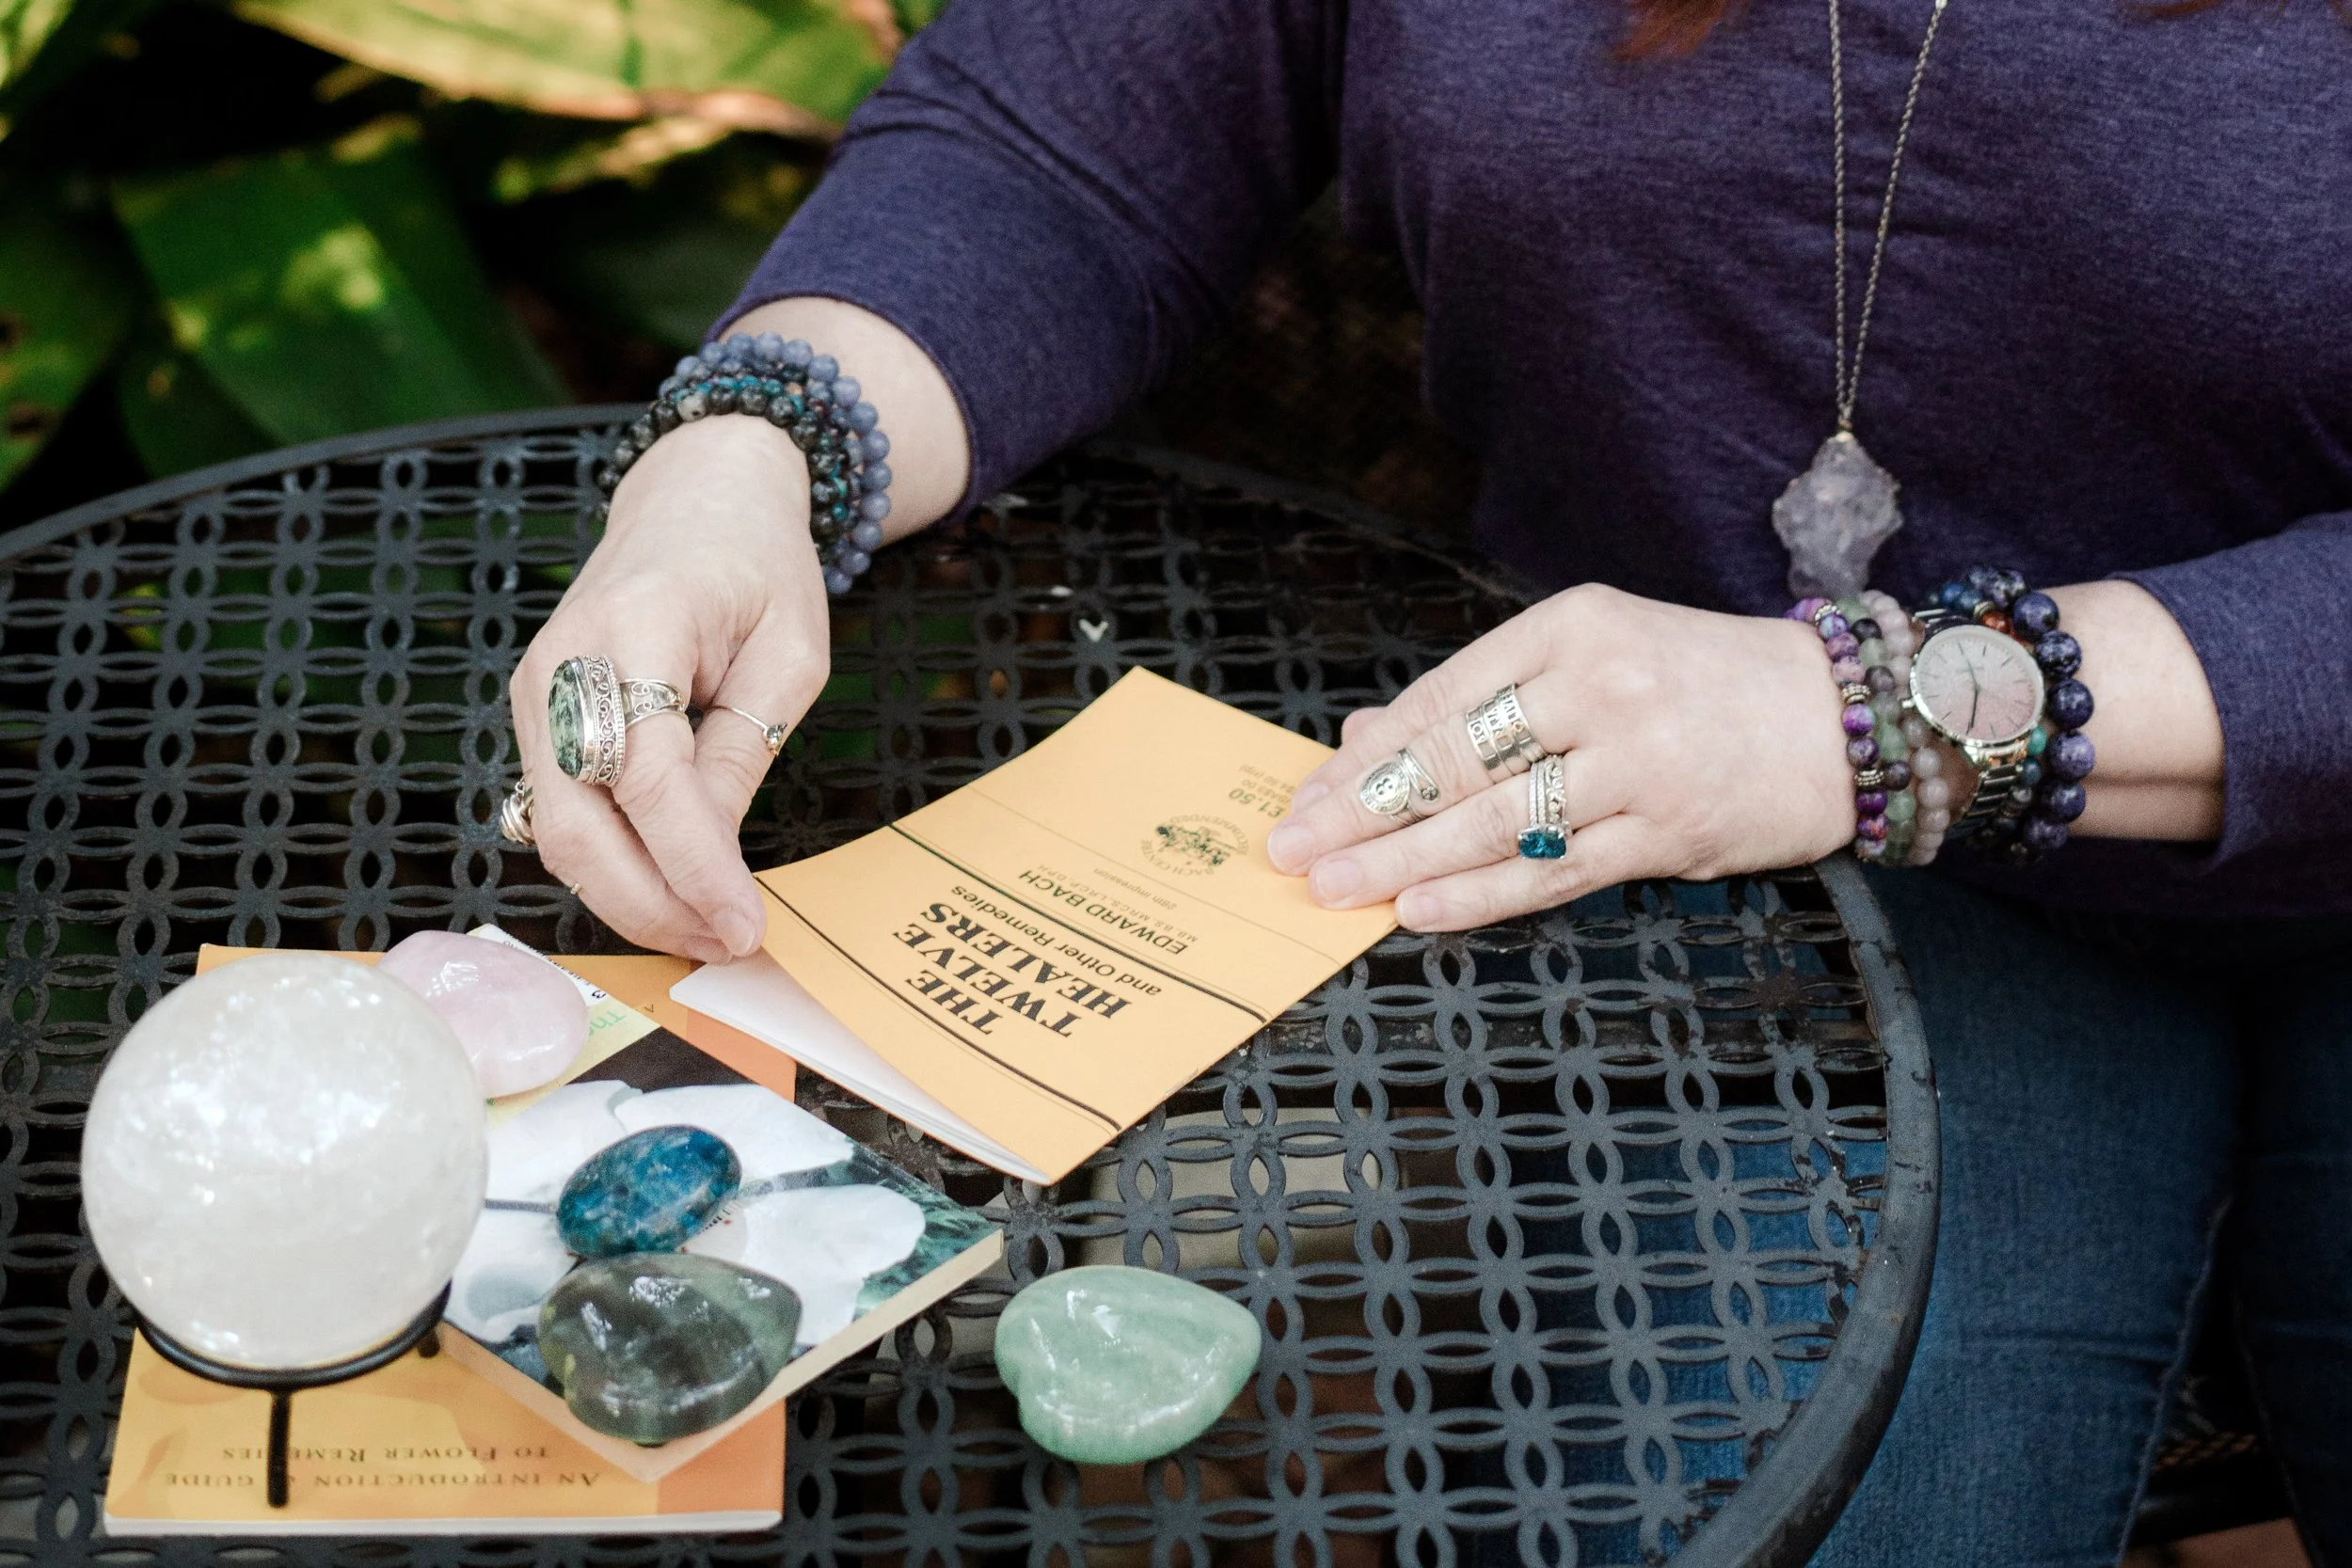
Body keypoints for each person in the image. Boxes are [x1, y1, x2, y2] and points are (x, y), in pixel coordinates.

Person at [507, 0, 2352, 1560]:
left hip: (1894, 763)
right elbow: (1066, 135)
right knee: (1795, 1499)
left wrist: (1859, 712)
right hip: (1757, 864)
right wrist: (756, 454)